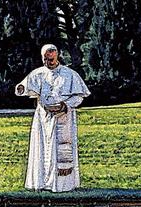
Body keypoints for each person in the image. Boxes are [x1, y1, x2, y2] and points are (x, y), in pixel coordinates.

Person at [15, 44, 91, 192]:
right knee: (42, 149)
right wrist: (21, 88)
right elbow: (25, 87)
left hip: (64, 118)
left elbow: (79, 97)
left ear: (57, 57)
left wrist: (65, 105)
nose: (47, 63)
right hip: (43, 118)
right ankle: (42, 183)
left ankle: (63, 185)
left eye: (50, 59)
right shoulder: (38, 73)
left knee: (61, 151)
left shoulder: (70, 74)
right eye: (45, 59)